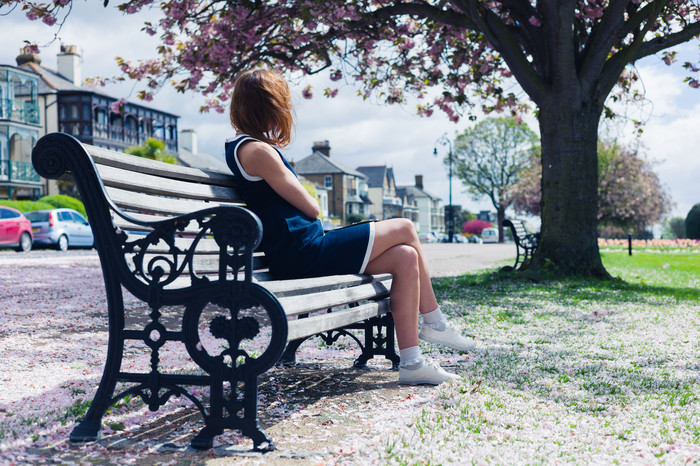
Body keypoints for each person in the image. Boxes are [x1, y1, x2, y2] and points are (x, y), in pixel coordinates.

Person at [225, 69, 473, 385]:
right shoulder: (258, 151)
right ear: (269, 106)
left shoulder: (248, 148)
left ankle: (412, 364)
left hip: (303, 249)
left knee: (405, 258)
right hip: (303, 253)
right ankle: (436, 323)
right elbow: (312, 207)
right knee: (406, 227)